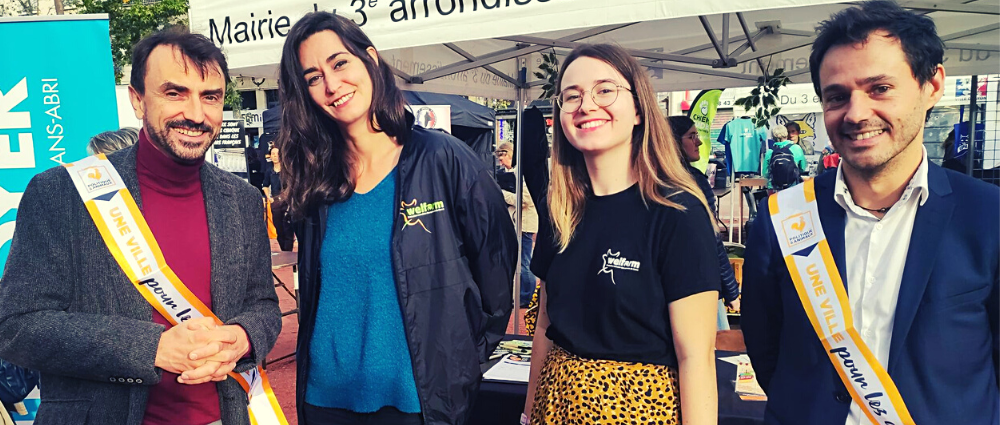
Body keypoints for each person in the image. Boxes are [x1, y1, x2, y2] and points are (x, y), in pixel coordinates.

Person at [0, 29, 282, 425]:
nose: (196, 114)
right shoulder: (60, 193)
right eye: (175, 93)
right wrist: (151, 348)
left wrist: (244, 337)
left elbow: (264, 307)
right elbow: (16, 325)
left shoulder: (244, 200)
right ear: (137, 100)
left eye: (210, 97)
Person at [741, 2, 999, 425]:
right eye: (837, 96)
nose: (857, 113)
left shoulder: (988, 218)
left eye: (879, 88)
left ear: (931, 85)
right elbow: (767, 350)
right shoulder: (781, 218)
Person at [276, 12, 517, 425]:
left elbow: (496, 278)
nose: (332, 85)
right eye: (313, 77)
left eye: (339, 63)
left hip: (416, 403)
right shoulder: (314, 178)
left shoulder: (443, 158)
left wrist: (460, 365)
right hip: (325, 401)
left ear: (369, 58)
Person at [523, 44, 720, 425]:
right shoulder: (559, 208)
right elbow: (545, 327)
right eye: (572, 96)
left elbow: (696, 356)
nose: (587, 105)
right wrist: (528, 413)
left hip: (638, 412)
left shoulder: (677, 213)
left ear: (639, 110)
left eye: (605, 90)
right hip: (554, 407)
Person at [668, 115, 741, 330]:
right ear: (673, 141)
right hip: (701, 282)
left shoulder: (648, 178)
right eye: (692, 136)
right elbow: (712, 239)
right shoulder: (693, 181)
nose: (698, 142)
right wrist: (730, 288)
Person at [496, 141, 540, 308]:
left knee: (524, 263)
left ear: (510, 155)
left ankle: (527, 297)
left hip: (526, 224)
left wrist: (502, 194)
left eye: (502, 159)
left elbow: (524, 200)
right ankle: (524, 295)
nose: (501, 164)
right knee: (521, 262)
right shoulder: (515, 173)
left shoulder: (521, 174)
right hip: (519, 222)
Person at [263, 146, 294, 251]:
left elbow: (293, 185)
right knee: (278, 228)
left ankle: (288, 252)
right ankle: (284, 250)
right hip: (275, 202)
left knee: (288, 228)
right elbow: (265, 185)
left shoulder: (288, 170)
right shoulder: (269, 171)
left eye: (277, 154)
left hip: (287, 202)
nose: (275, 156)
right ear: (270, 156)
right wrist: (269, 197)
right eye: (273, 154)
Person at [762, 124, 808, 189]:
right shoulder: (796, 148)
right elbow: (802, 168)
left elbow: (765, 173)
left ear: (773, 137)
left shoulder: (770, 152)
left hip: (774, 188)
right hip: (793, 186)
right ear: (786, 134)